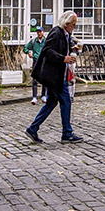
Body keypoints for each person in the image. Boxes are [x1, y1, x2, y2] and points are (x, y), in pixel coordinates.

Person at [26, 11, 83, 143]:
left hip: (57, 75)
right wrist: (64, 58)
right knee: (66, 101)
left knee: (51, 102)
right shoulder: (56, 32)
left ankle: (33, 128)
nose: (74, 27)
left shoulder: (66, 35)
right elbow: (47, 51)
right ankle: (67, 133)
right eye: (73, 25)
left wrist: (74, 49)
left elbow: (63, 50)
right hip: (53, 76)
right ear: (66, 23)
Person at [23, 26, 48, 104]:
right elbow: (25, 48)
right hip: (36, 61)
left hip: (44, 62)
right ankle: (34, 97)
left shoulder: (46, 41)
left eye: (40, 32)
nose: (39, 33)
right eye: (37, 32)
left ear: (43, 32)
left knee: (45, 79)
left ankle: (43, 95)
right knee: (35, 80)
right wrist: (29, 52)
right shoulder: (33, 41)